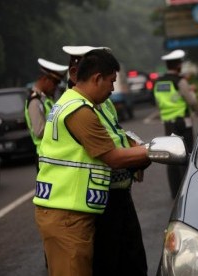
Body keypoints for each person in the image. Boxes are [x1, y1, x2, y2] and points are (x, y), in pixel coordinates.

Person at [33, 49, 151, 276]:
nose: (113, 89)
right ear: (96, 78)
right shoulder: (80, 111)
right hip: (67, 213)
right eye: (111, 82)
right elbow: (113, 158)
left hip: (72, 208)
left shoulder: (76, 102)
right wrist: (152, 151)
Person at [153, 49, 197, 199]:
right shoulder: (180, 81)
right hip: (182, 123)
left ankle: (175, 192)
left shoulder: (158, 82)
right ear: (178, 65)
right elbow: (192, 101)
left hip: (168, 123)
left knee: (171, 156)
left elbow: (159, 102)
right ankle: (188, 190)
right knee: (186, 154)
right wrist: (192, 92)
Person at [24, 58, 68, 172]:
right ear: (44, 79)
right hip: (44, 156)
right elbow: (39, 132)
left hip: (52, 154)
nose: (56, 87)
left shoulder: (46, 100)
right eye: (55, 82)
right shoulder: (35, 101)